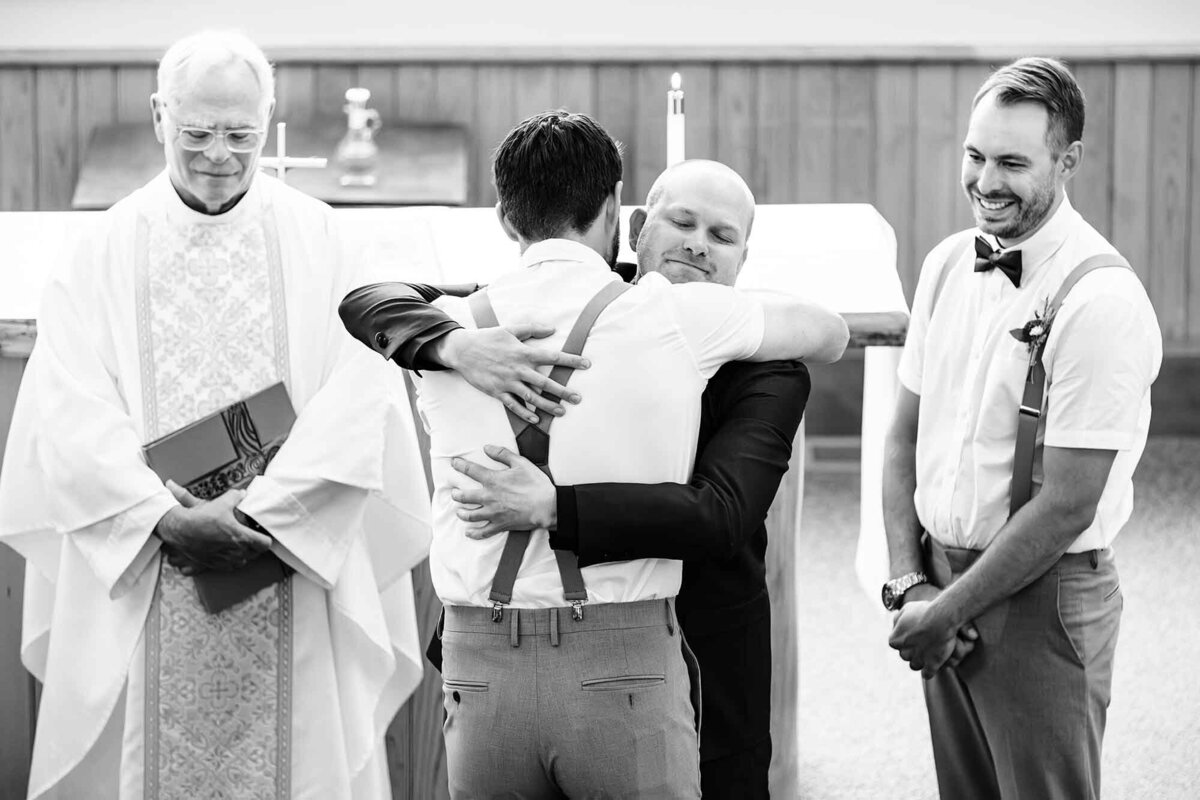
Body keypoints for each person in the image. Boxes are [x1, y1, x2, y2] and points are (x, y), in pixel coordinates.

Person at [340, 113, 847, 797]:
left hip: (648, 652)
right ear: (624, 219)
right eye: (684, 224)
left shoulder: (465, 322)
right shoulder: (666, 316)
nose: (698, 246)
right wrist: (454, 346)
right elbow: (829, 330)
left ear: (504, 215)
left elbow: (720, 516)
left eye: (722, 236)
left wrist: (460, 355)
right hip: (623, 648)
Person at [0, 30, 431, 799]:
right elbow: (68, 411)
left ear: (270, 119)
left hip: (289, 568)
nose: (219, 156)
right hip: (147, 572)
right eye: (197, 133)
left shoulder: (324, 240)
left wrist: (265, 515)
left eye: (242, 135)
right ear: (161, 116)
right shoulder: (99, 251)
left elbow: (362, 393)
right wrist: (162, 519)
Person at [882, 57, 1161, 799]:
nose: (984, 181)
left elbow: (1069, 500)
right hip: (938, 583)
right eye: (974, 156)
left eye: (1012, 162)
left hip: (1044, 596)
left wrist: (949, 610)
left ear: (1067, 161)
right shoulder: (946, 263)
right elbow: (900, 439)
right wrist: (912, 584)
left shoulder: (1101, 302)